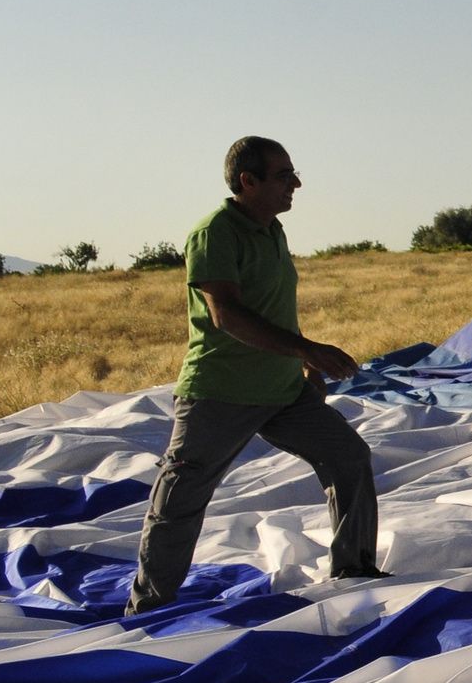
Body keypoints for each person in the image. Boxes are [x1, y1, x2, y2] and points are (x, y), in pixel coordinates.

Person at [127, 137, 384, 615]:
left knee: (348, 456)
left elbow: (273, 308)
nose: (296, 184)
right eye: (285, 175)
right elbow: (225, 314)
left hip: (284, 391)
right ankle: (148, 607)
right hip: (222, 391)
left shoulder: (273, 231)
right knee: (181, 494)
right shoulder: (215, 233)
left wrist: (305, 363)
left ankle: (354, 569)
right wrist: (308, 349)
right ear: (249, 181)